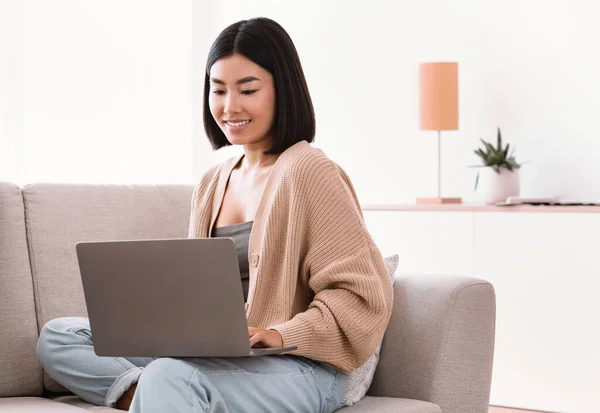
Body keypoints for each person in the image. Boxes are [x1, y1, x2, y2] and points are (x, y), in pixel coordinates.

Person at [36, 17, 393, 413]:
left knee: (168, 375)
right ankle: (159, 394)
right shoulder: (211, 181)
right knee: (59, 337)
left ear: (283, 90)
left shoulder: (310, 172)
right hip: (218, 359)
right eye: (218, 89)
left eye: (248, 90)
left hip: (299, 368)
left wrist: (277, 333)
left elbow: (361, 299)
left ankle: (169, 390)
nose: (229, 106)